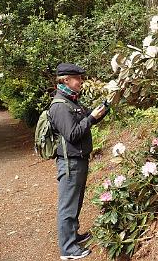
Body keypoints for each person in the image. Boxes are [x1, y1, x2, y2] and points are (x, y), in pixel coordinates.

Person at [49, 62, 109, 260]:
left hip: (79, 160)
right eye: (78, 78)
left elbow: (84, 122)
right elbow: (73, 134)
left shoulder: (72, 101)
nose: (81, 82)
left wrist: (100, 112)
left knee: (76, 202)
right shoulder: (59, 106)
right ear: (65, 80)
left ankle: (73, 236)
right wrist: (90, 118)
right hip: (70, 164)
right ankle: (67, 249)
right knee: (68, 205)